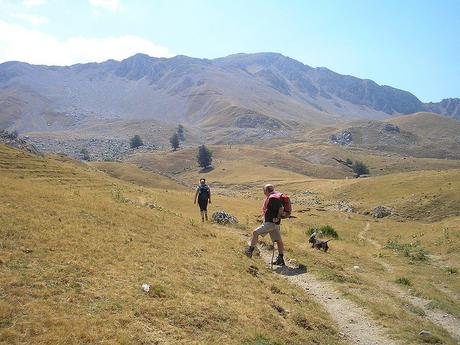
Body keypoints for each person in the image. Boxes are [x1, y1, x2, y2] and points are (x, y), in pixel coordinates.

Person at [245, 184, 285, 266]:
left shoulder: (272, 198)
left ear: (266, 191)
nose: (263, 192)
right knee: (278, 241)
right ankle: (281, 259)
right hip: (274, 224)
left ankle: (250, 251)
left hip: (271, 223)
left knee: (255, 232)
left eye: (264, 190)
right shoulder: (274, 196)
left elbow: (281, 208)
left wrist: (277, 218)